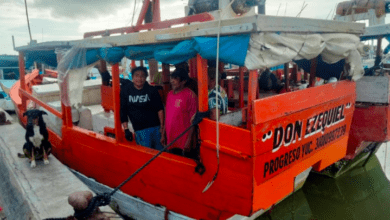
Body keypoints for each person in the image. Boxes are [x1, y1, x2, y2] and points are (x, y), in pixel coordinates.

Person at [120, 66, 165, 150]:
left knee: (160, 154)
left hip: (156, 128)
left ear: (145, 78)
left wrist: (162, 127)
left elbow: (160, 109)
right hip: (140, 130)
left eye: (142, 76)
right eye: (137, 75)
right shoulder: (126, 91)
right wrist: (126, 129)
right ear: (132, 77)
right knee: (146, 155)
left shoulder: (152, 90)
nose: (139, 78)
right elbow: (123, 110)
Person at [162, 68, 197, 156]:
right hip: (170, 138)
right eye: (172, 78)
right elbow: (167, 116)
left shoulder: (190, 95)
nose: (172, 81)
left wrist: (189, 141)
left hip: (183, 140)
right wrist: (163, 134)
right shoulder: (169, 94)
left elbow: (193, 121)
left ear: (183, 81)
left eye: (175, 79)